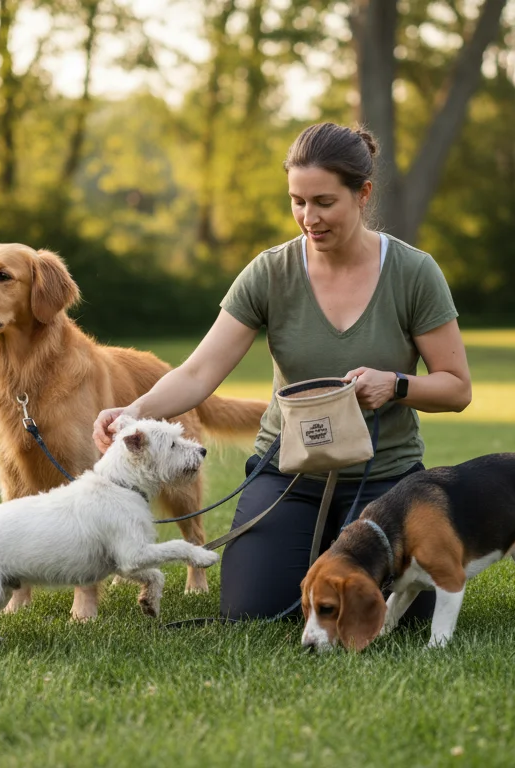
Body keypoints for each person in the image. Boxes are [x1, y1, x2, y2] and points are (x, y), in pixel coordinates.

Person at [92, 122, 471, 620]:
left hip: (385, 479)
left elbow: (456, 387)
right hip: (287, 472)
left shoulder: (413, 272)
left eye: (324, 202)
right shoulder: (270, 272)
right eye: (297, 201)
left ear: (363, 194)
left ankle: (334, 546)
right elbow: (198, 373)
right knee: (252, 608)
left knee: (390, 615)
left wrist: (397, 384)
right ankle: (313, 547)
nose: (308, 217)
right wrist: (133, 411)